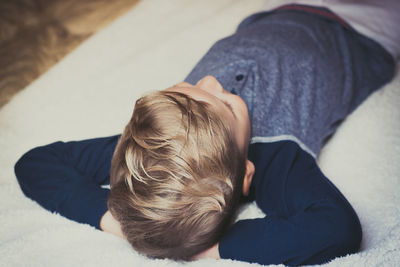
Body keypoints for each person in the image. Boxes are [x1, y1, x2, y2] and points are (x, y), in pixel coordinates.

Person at [14, 1, 398, 265]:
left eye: (185, 87)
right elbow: (336, 230)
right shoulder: (279, 158)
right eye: (229, 103)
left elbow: (36, 163)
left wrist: (123, 224)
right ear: (247, 175)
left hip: (274, 14)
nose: (212, 81)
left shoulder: (154, 151)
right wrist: (206, 248)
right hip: (362, 31)